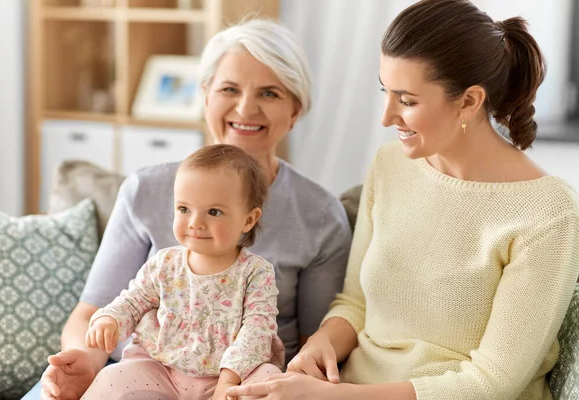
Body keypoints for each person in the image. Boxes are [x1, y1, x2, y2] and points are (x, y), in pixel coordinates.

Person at [227, 1, 579, 399]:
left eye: (407, 101)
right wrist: (322, 342)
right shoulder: (391, 163)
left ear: (469, 101)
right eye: (385, 91)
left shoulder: (547, 213)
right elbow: (356, 303)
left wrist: (330, 397)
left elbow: (492, 383)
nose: (386, 117)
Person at [32, 18, 352, 400]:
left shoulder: (319, 215)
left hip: (244, 381)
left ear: (295, 110)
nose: (246, 108)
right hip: (143, 375)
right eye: (229, 89)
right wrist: (86, 358)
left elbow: (314, 342)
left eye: (269, 93)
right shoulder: (144, 191)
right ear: (205, 97)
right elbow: (96, 310)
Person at [81, 144, 283, 400]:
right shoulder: (165, 263)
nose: (195, 223)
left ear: (248, 219)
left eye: (214, 212)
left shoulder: (256, 273)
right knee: (112, 379)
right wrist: (109, 319)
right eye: (184, 209)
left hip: (229, 374)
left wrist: (230, 379)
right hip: (162, 368)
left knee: (268, 381)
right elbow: (133, 300)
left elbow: (257, 330)